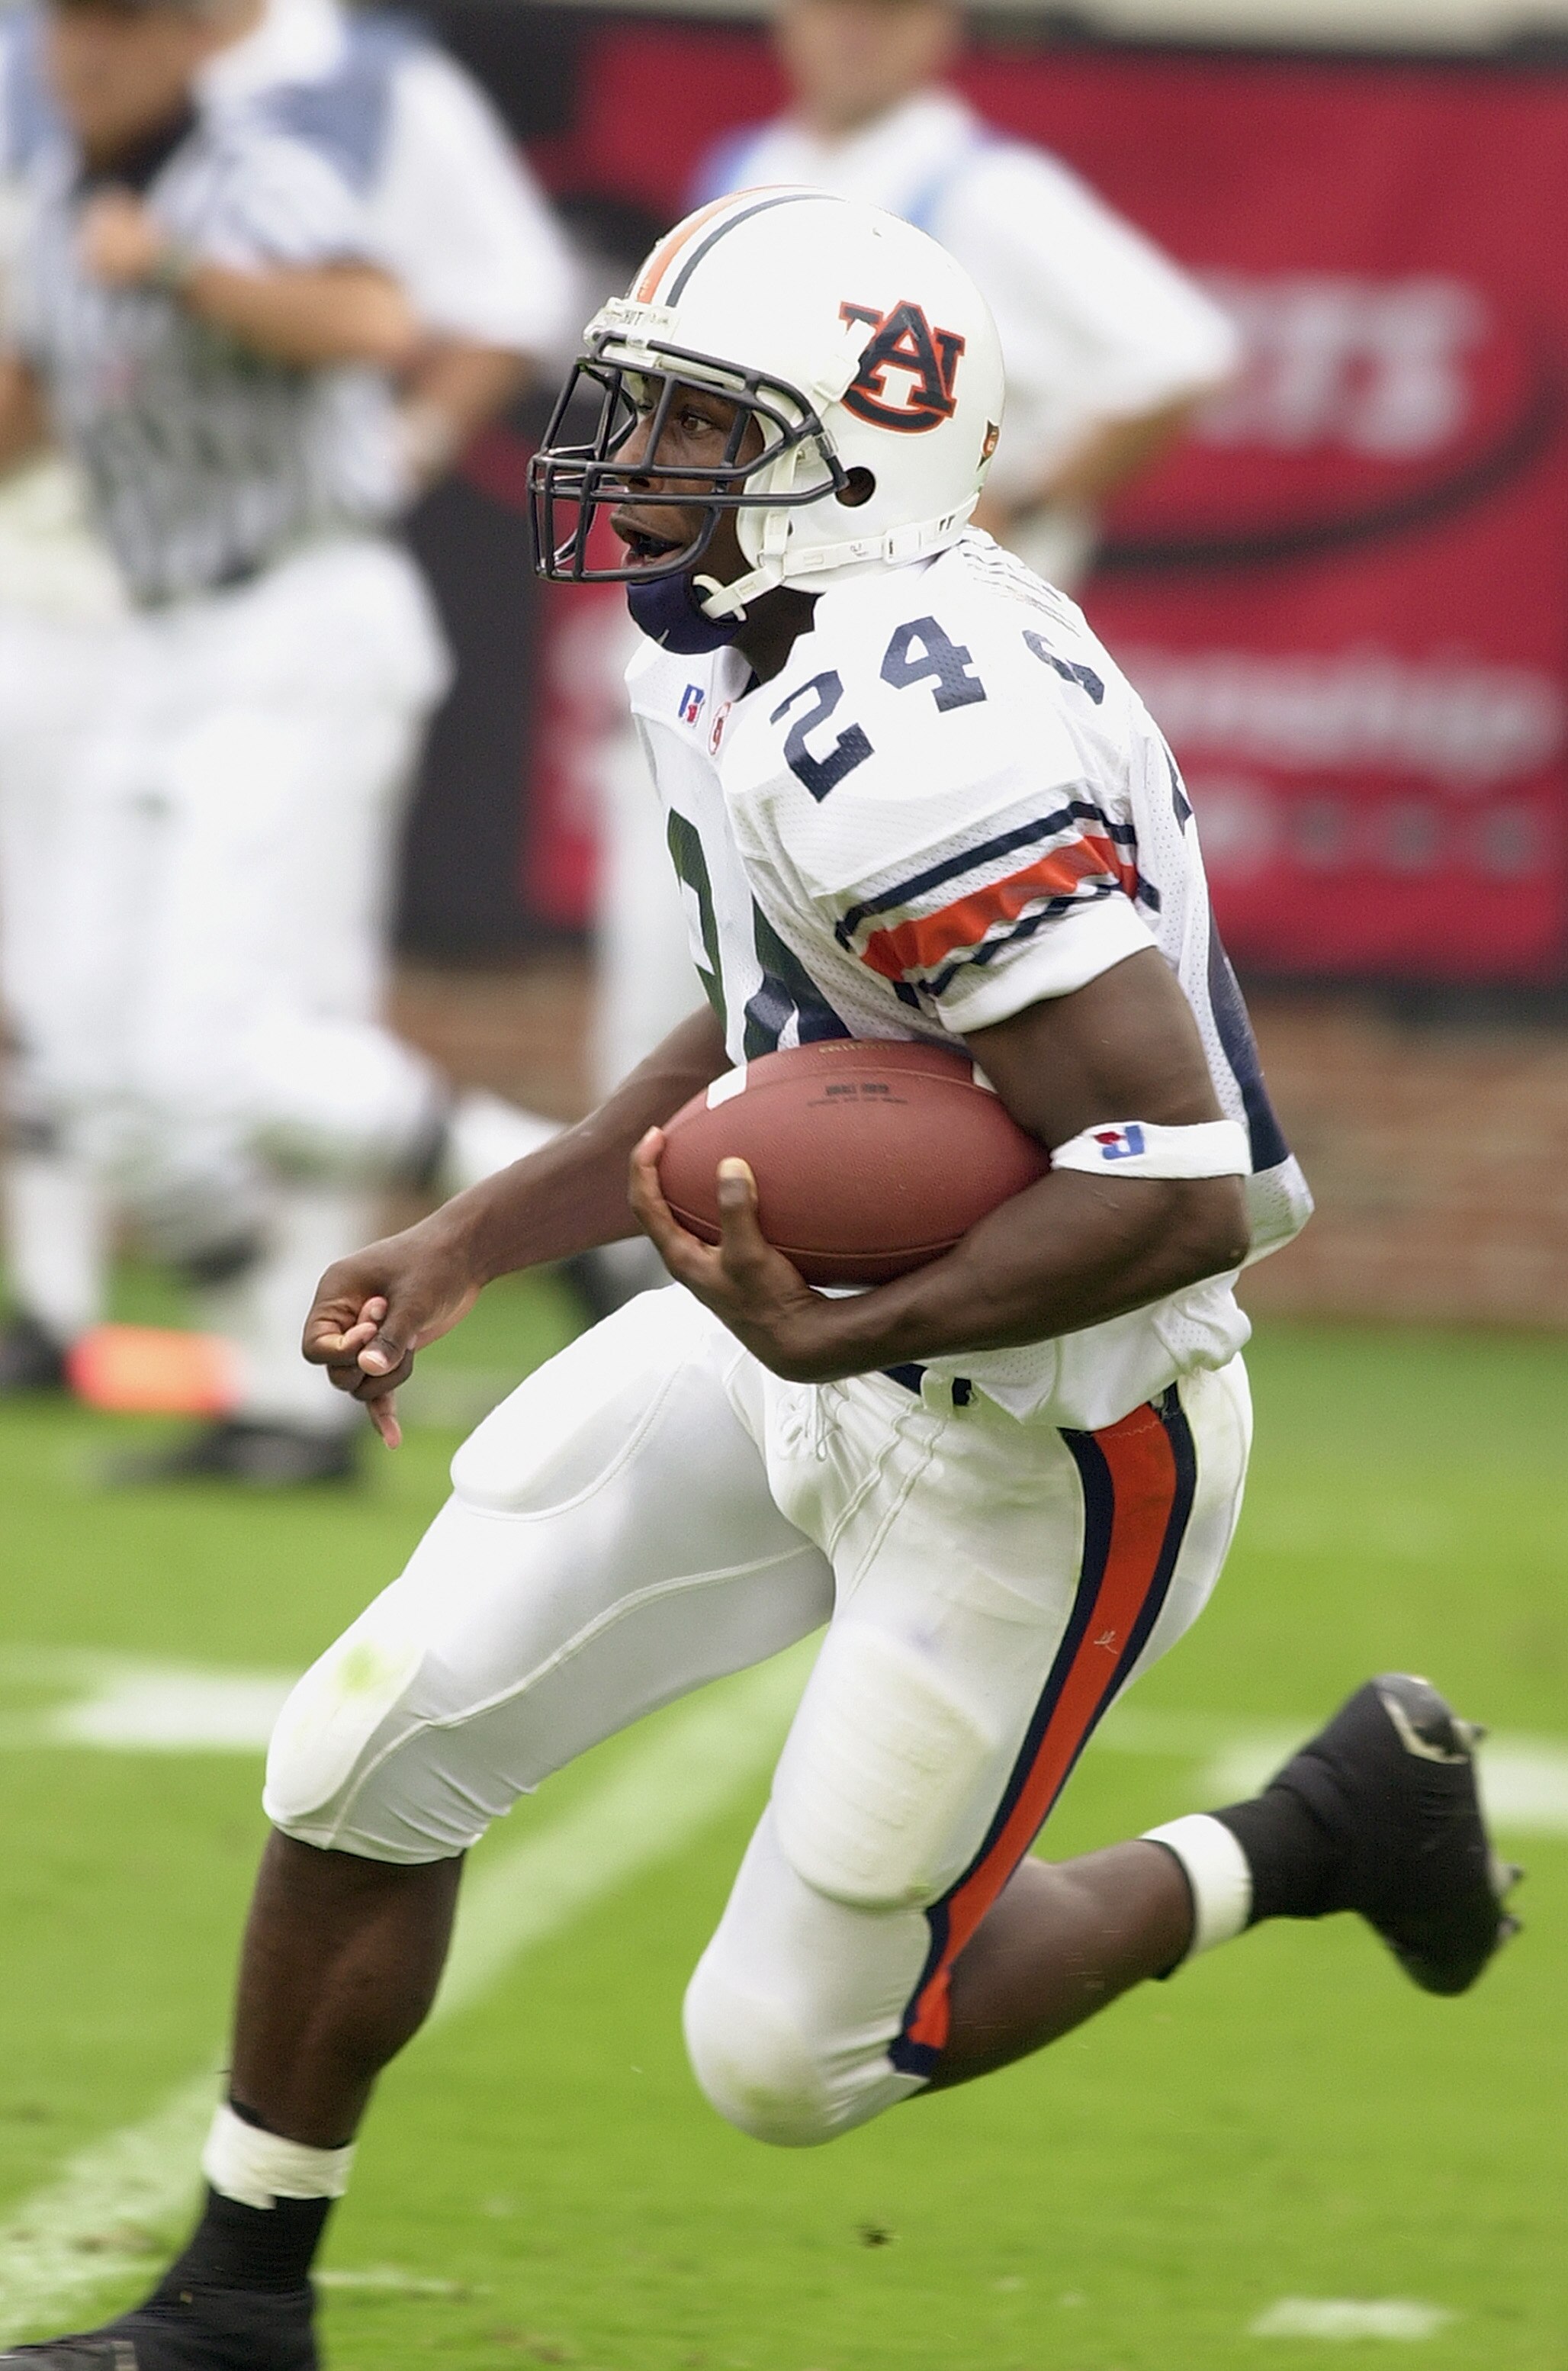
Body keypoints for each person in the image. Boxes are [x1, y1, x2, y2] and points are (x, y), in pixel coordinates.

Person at [2, 192, 1516, 2371]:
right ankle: (240, 2297)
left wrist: (861, 1328)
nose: (634, 461)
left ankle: (1313, 1828)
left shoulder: (926, 739)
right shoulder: (743, 639)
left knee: (789, 2056)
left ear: (854, 457)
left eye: (702, 427)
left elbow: (1175, 1172)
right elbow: (757, 1044)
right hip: (799, 1344)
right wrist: (475, 1235)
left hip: (1055, 1428)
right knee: (366, 1746)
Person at [572, 0, 1244, 1279]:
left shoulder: (992, 188)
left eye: (888, 9)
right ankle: (639, 1283)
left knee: (913, 1043)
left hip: (893, 680)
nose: (852, 33)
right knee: (702, 1003)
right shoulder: (749, 170)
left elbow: (1176, 355)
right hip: (739, 644)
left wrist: (1015, 496)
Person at [0, 0, 574, 1480]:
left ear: (192, 42)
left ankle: (554, 1195)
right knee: (94, 1068)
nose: (89, 57)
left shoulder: (256, 168)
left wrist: (184, 270)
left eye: (124, 29)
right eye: (73, 28)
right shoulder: (62, 194)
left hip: (299, 617)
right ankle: (290, 1376)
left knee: (211, 1059)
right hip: (159, 633)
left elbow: (376, 318)